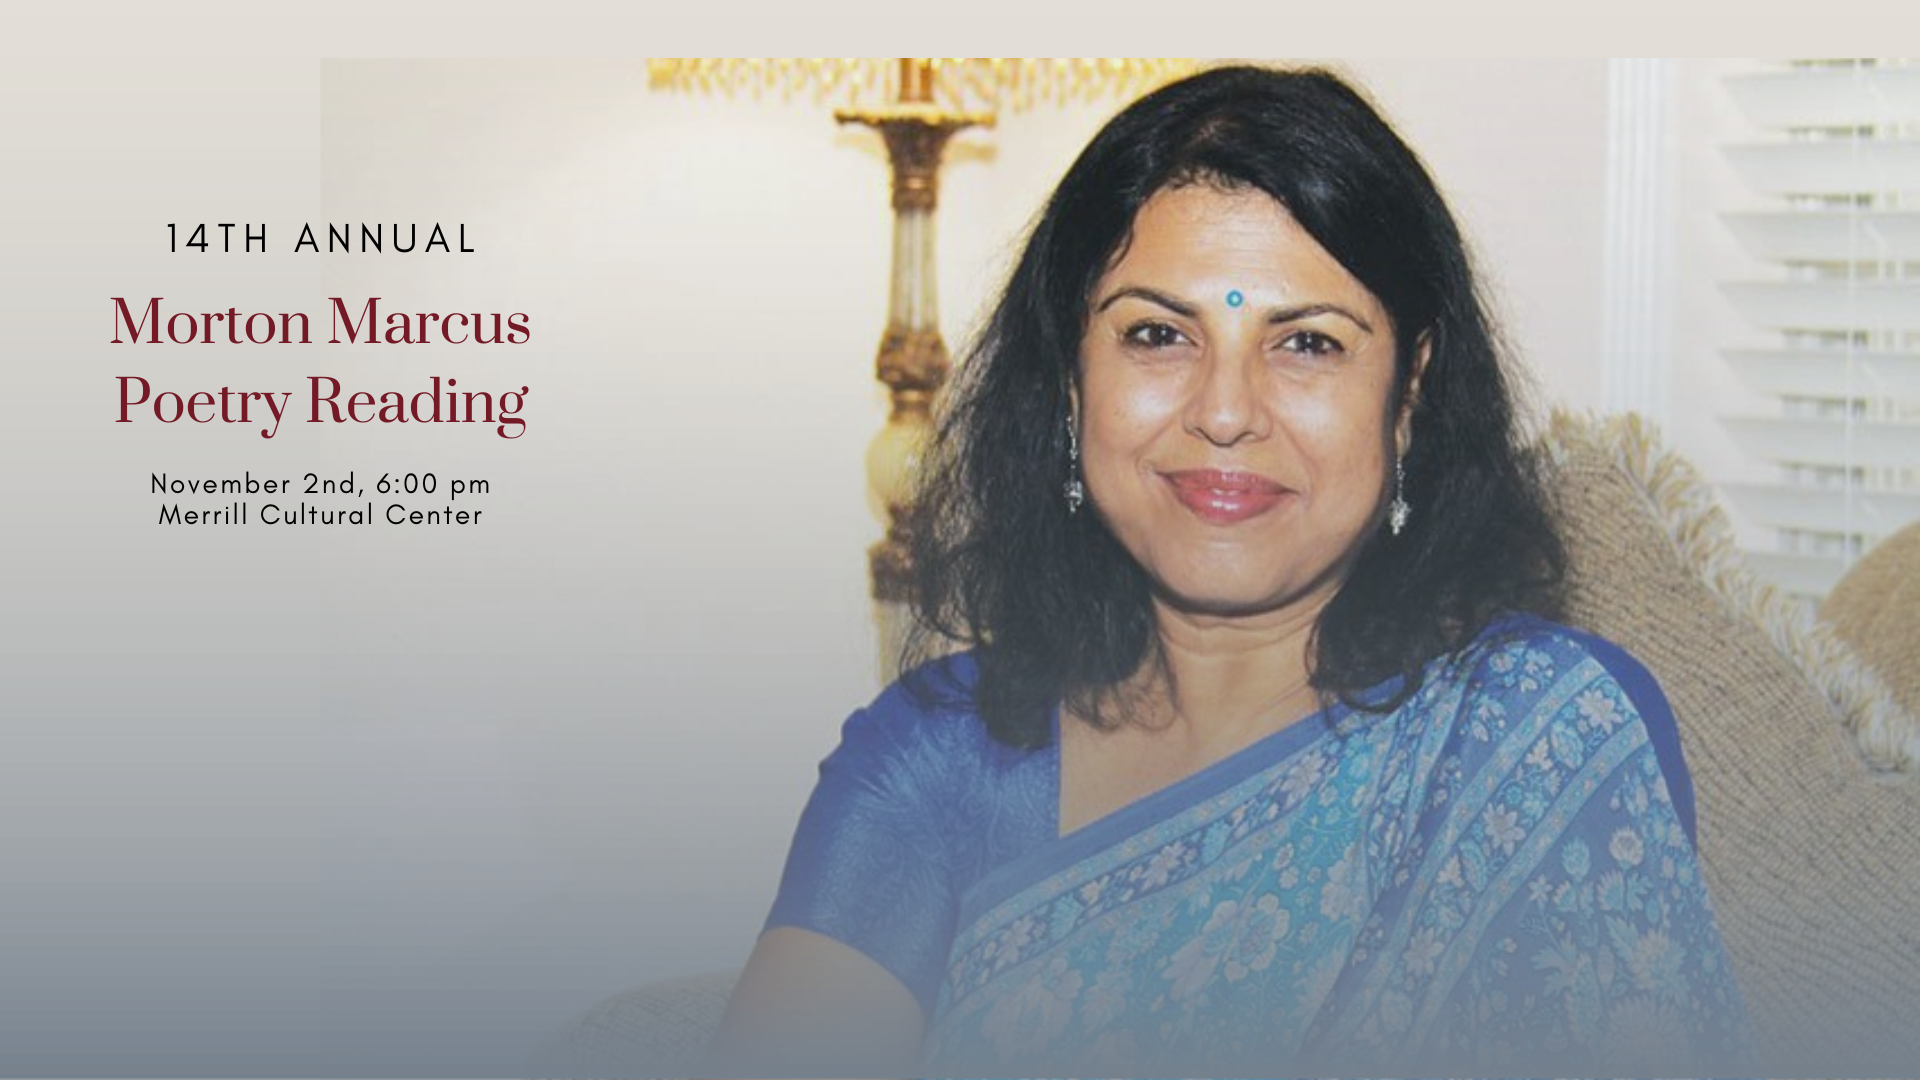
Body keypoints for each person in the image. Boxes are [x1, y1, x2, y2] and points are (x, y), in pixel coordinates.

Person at [706, 64, 1752, 1078]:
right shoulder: (934, 761)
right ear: (1071, 382)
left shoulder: (1538, 742)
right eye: (1159, 334)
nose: (1223, 410)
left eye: (1308, 345)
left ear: (1408, 395)